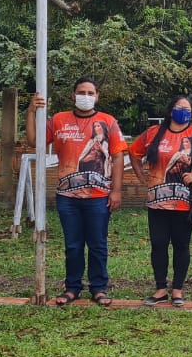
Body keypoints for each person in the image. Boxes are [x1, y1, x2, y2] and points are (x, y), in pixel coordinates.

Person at [26, 77, 127, 307]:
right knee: (73, 244)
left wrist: (117, 190)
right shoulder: (59, 120)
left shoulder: (108, 122)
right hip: (67, 196)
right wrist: (31, 111)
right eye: (81, 92)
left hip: (99, 196)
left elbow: (119, 156)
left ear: (97, 96)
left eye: (91, 92)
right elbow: (34, 141)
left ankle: (99, 288)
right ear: (73, 95)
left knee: (97, 244)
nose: (86, 96)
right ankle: (72, 288)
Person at [129, 95, 192, 307]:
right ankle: (161, 289)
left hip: (185, 202)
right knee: (159, 244)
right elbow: (133, 152)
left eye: (189, 109)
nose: (185, 112)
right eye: (181, 108)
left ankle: (178, 290)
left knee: (182, 246)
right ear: (171, 110)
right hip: (158, 201)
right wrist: (142, 177)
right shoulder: (154, 133)